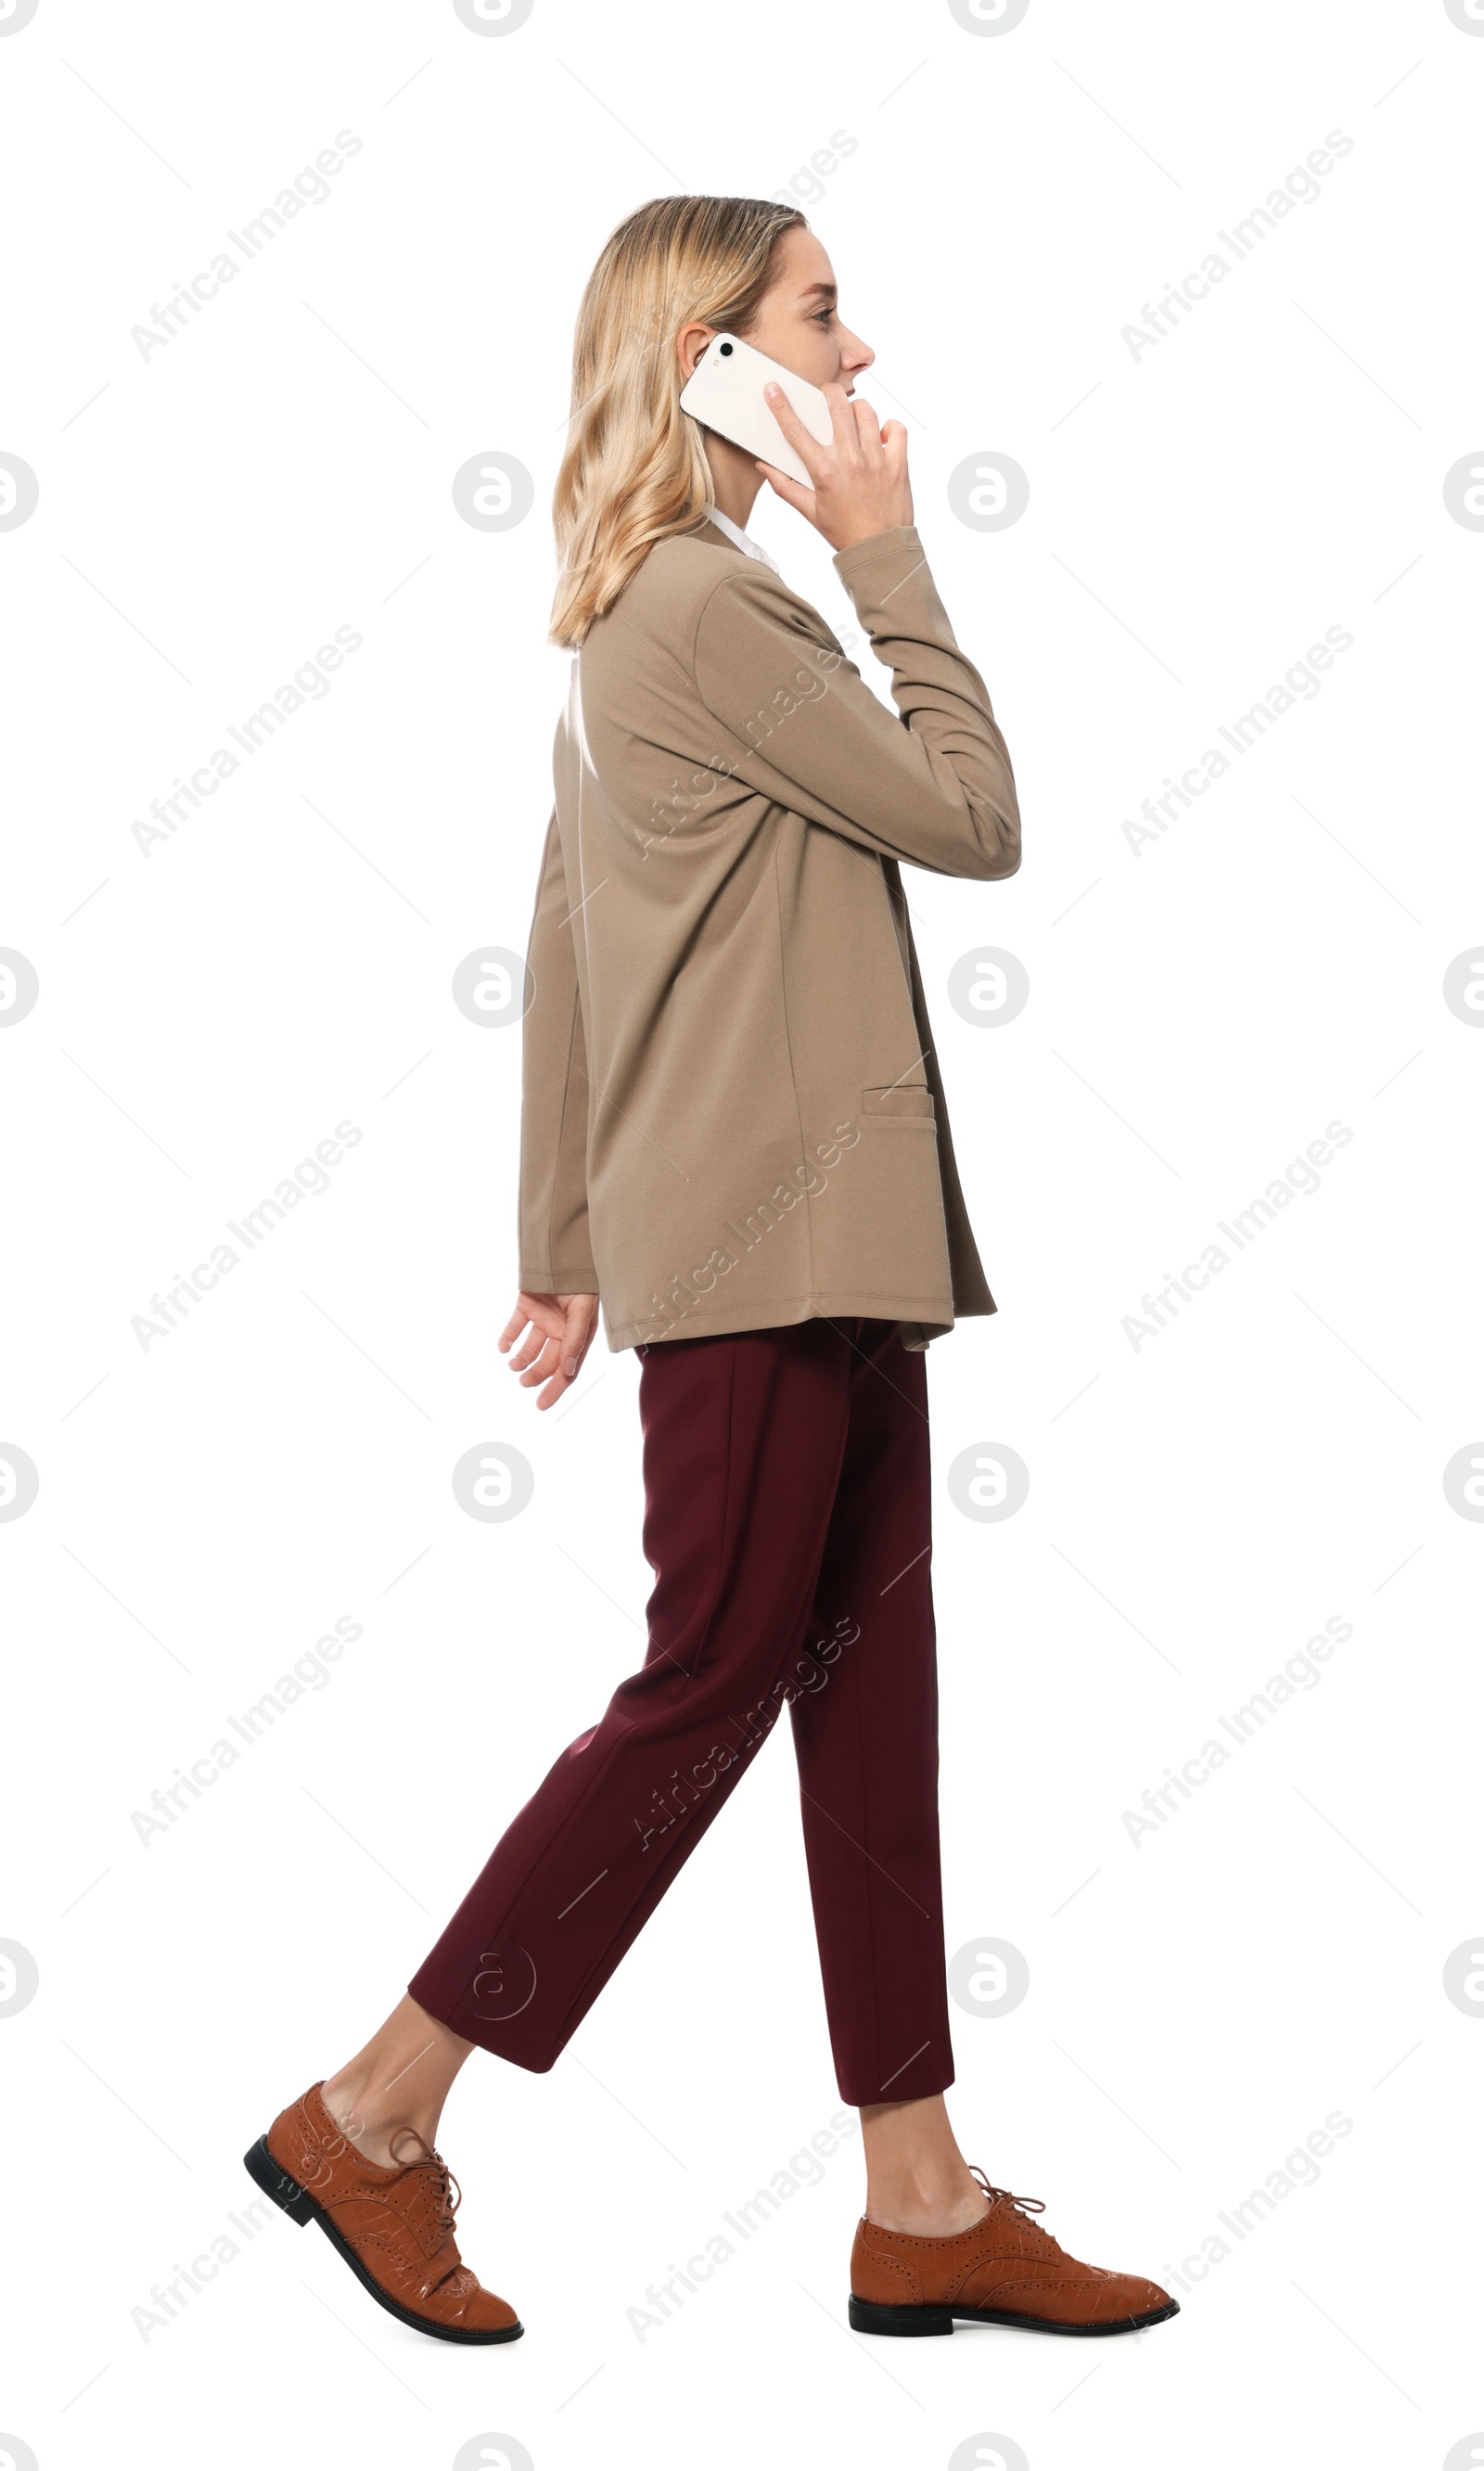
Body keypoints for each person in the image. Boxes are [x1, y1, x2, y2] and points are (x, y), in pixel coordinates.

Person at [244, 195, 1178, 2349]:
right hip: (769, 1249)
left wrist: (558, 1248)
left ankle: (918, 2193)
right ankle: (373, 2114)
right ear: (711, 361)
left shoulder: (630, 610)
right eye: (818, 313)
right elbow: (972, 816)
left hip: (810, 1237)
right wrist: (885, 556)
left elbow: (566, 947)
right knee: (706, 1686)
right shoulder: (709, 609)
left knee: (863, 1701)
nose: (858, 350)